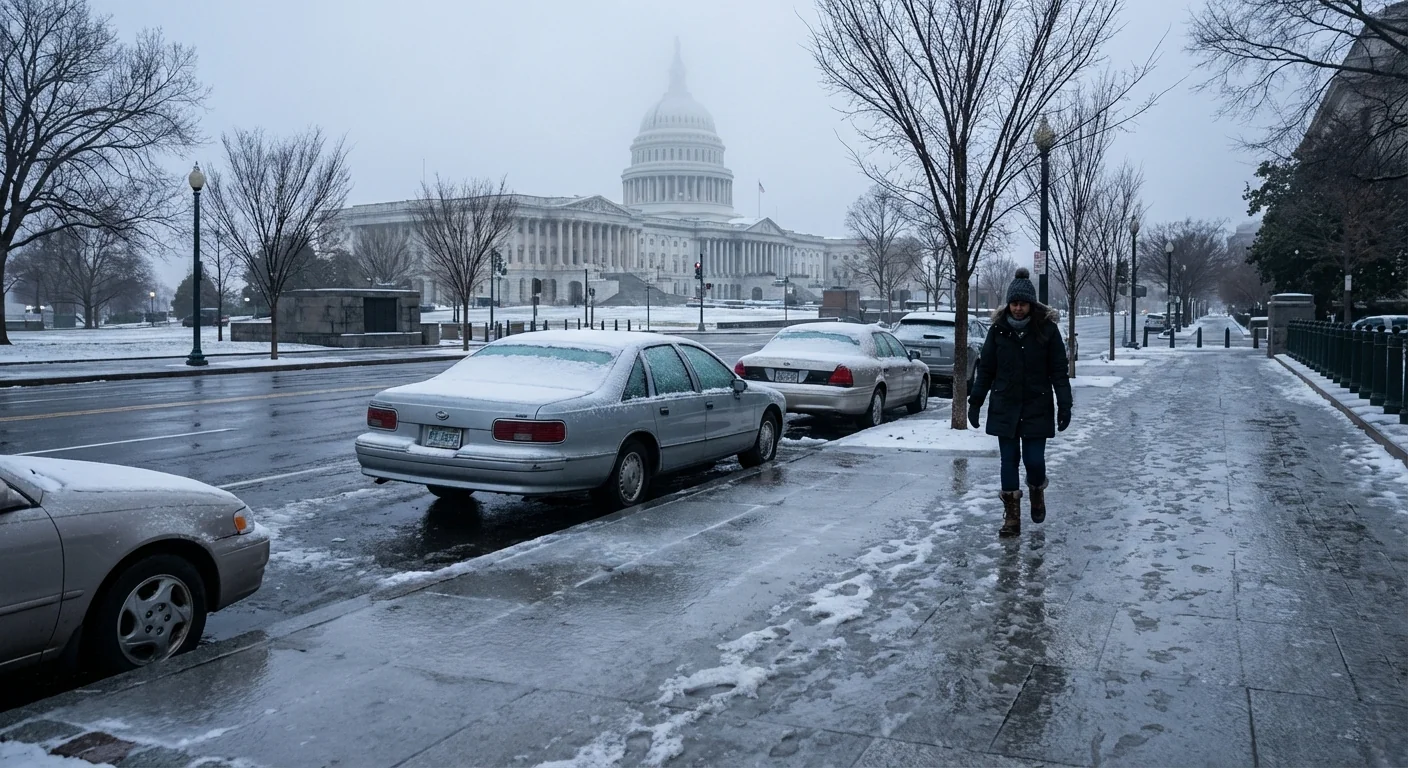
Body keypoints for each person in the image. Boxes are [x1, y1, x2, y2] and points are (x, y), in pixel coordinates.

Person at [967, 267, 1073, 537]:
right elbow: (987, 370)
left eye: (1022, 304)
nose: (1017, 309)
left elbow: (1059, 372)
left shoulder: (1047, 331)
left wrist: (1064, 404)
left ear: (1030, 305)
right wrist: (976, 401)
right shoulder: (997, 331)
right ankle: (1012, 517)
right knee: (1009, 460)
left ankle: (1037, 490)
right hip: (1005, 405)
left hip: (1037, 405)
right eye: (1014, 303)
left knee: (1034, 460)